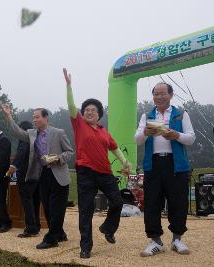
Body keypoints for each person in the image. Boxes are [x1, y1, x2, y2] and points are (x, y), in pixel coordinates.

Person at [63, 68, 132, 258]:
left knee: (117, 202)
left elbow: (115, 148)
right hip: (85, 172)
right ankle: (86, 247)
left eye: (93, 110)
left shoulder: (104, 131)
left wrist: (126, 163)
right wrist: (69, 86)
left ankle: (108, 228)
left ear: (99, 114)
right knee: (86, 210)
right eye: (86, 110)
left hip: (105, 173)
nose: (89, 112)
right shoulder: (79, 124)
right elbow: (71, 105)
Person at [134, 82, 196, 257]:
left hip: (176, 164)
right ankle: (156, 241)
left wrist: (176, 135)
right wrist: (145, 133)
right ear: (152, 96)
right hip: (153, 164)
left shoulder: (181, 114)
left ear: (171, 95)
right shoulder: (147, 115)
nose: (159, 97)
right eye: (156, 94)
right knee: (152, 202)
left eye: (163, 93)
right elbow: (137, 140)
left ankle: (177, 239)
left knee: (178, 202)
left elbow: (191, 138)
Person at [1, 104, 73, 250]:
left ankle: (51, 238)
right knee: (46, 207)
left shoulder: (58, 132)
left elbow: (70, 152)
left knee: (56, 208)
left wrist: (57, 158)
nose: (34, 120)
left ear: (46, 118)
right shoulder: (32, 134)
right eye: (33, 117)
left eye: (37, 117)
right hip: (42, 174)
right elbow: (18, 132)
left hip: (59, 174)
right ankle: (59, 233)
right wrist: (9, 116)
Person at [7, 120, 41, 238]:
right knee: (35, 200)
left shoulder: (25, 138)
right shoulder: (37, 137)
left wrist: (13, 165)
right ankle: (36, 225)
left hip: (26, 173)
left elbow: (21, 152)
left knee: (26, 199)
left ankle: (31, 228)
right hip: (37, 174)